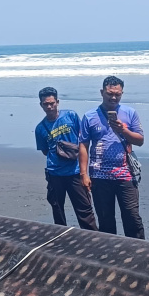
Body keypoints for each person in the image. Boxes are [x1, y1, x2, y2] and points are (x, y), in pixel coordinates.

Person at [80, 76, 145, 238]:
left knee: (132, 218)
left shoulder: (130, 113)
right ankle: (110, 254)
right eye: (110, 93)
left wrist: (123, 130)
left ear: (122, 93)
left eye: (118, 94)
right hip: (100, 176)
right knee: (106, 220)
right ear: (102, 92)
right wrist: (83, 174)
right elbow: (83, 145)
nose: (114, 97)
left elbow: (140, 141)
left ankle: (140, 252)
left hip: (126, 174)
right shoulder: (90, 116)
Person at [34, 87, 97, 230]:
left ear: (57, 102)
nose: (49, 107)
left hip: (74, 171)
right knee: (57, 210)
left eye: (52, 103)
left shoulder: (71, 116)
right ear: (41, 105)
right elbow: (45, 151)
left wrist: (83, 171)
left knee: (84, 209)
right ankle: (60, 239)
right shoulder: (40, 128)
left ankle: (93, 237)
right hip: (54, 173)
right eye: (46, 104)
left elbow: (83, 140)